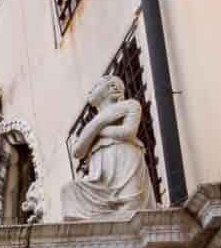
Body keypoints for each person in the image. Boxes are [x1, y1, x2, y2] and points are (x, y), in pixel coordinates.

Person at [61, 75, 155, 220]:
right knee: (68, 191)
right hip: (100, 172)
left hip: (125, 159)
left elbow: (128, 132)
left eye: (96, 86)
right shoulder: (94, 122)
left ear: (113, 88)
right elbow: (77, 151)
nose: (90, 91)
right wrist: (100, 122)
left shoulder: (130, 105)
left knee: (132, 209)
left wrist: (96, 130)